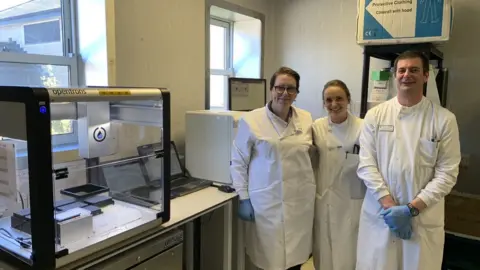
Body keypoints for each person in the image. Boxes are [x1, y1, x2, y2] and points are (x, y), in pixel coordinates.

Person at [356, 51, 461, 270]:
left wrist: (410, 210)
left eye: (414, 70)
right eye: (401, 70)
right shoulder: (375, 115)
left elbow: (447, 173)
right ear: (395, 75)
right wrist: (390, 206)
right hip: (381, 216)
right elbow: (366, 164)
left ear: (426, 76)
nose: (406, 75)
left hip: (421, 220)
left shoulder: (443, 119)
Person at [230, 66, 316, 270]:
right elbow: (238, 161)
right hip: (266, 204)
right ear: (271, 90)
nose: (284, 93)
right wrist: (243, 197)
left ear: (297, 93)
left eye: (291, 89)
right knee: (269, 261)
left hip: (299, 202)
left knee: (296, 260)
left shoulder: (306, 118)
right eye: (280, 88)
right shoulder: (251, 120)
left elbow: (311, 155)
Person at [311, 80, 365, 270]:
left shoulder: (362, 127)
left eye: (339, 99)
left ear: (348, 99)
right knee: (323, 249)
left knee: (348, 250)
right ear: (324, 103)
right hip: (324, 197)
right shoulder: (317, 127)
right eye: (329, 100)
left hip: (351, 200)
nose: (334, 104)